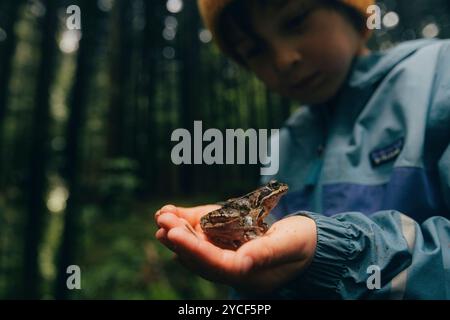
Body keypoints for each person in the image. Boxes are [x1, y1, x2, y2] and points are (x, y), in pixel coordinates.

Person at [155, 0, 450, 299]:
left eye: (296, 21)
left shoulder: (440, 75)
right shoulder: (285, 143)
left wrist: (342, 255)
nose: (284, 59)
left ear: (350, 10)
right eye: (254, 50)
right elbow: (260, 260)